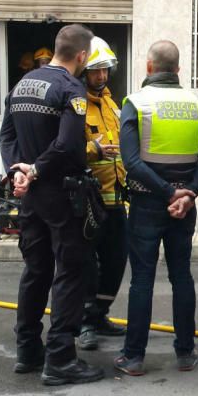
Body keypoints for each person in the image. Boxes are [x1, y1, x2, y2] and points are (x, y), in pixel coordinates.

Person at [3, 24, 105, 386]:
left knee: (36, 270)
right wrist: (35, 170)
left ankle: (28, 350)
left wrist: (18, 171)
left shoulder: (22, 85)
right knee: (69, 272)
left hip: (30, 196)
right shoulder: (70, 88)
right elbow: (68, 146)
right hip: (61, 194)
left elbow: (7, 137)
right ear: (81, 56)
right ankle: (60, 358)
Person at [114, 40, 198, 377]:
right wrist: (186, 195)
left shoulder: (136, 104)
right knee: (182, 276)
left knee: (142, 279)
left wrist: (165, 192)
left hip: (147, 203)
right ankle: (186, 353)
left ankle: (134, 358)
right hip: (184, 208)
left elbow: (130, 161)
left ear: (148, 68)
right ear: (177, 70)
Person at [78, 37, 129, 351]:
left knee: (116, 262)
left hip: (116, 202)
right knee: (86, 265)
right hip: (88, 203)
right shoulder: (76, 105)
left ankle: (99, 315)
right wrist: (92, 150)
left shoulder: (112, 104)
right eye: (95, 71)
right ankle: (84, 322)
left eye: (105, 70)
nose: (101, 77)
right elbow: (66, 151)